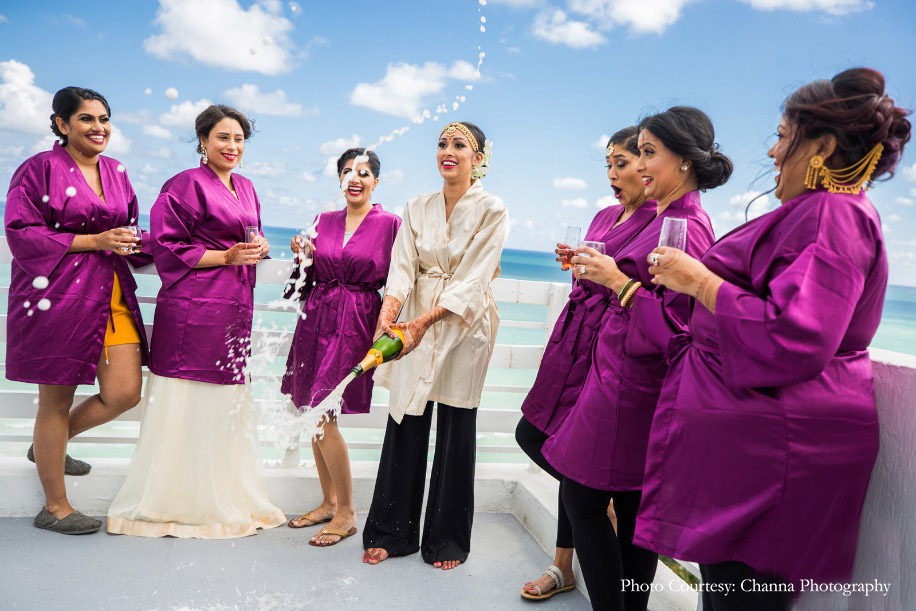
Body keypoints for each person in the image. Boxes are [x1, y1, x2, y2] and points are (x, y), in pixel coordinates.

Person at [635, 68, 910, 611]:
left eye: (783, 136)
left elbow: (796, 335)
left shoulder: (834, 213)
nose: (773, 152)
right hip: (755, 453)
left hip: (771, 461)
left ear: (822, 146)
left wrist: (700, 282)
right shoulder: (818, 211)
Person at [542, 107, 729, 610]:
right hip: (614, 371)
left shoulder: (686, 226)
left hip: (633, 384)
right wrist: (602, 275)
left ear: (684, 160)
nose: (639, 165)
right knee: (628, 505)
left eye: (648, 153)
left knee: (583, 496)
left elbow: (679, 328)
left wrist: (617, 281)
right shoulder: (665, 216)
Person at [107, 104, 286, 538]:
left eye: (239, 139)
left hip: (233, 309)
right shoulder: (183, 184)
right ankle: (179, 500)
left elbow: (249, 236)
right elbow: (167, 247)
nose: (232, 146)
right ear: (203, 141)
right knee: (187, 402)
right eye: (223, 137)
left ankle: (221, 493)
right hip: (191, 309)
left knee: (223, 404)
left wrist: (260, 246)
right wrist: (226, 256)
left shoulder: (246, 187)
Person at [515, 126, 657, 601]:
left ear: (648, 165)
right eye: (609, 164)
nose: (613, 174)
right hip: (573, 343)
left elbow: (644, 293)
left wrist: (604, 277)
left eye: (623, 163)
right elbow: (594, 273)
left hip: (608, 354)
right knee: (538, 437)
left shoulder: (661, 221)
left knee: (576, 467)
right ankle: (567, 560)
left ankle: (571, 560)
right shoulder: (605, 214)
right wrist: (575, 262)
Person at [362, 121, 509, 570]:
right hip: (414, 317)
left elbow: (474, 277)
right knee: (405, 416)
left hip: (465, 321)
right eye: (442, 143)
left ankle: (447, 539)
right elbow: (402, 267)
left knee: (456, 423)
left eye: (459, 145)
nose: (448, 151)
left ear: (478, 159)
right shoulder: (416, 206)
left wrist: (425, 322)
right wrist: (389, 316)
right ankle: (392, 532)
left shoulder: (493, 209)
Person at [5, 86, 148, 535]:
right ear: (62, 124)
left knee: (124, 393)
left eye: (104, 119)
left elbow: (130, 228)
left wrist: (211, 251)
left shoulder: (117, 171)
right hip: (60, 297)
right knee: (56, 399)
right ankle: (55, 506)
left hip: (112, 295)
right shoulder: (38, 169)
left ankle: (49, 444)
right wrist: (94, 240)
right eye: (86, 118)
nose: (98, 127)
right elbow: (21, 232)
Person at [281, 148, 401, 546]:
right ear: (339, 179)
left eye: (364, 172)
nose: (355, 178)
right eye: (348, 171)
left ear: (376, 182)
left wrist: (394, 330)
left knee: (323, 410)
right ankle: (329, 502)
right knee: (311, 409)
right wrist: (303, 254)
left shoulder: (391, 225)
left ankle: (347, 512)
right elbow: (305, 277)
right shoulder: (323, 220)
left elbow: (403, 278)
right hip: (316, 319)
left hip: (356, 323)